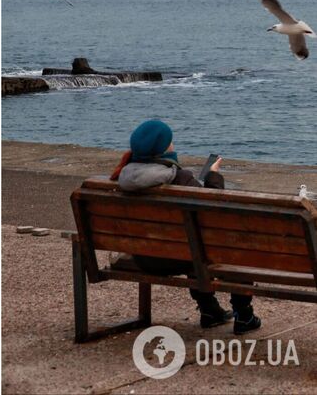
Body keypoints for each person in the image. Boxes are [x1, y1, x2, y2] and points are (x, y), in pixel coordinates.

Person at [111, 119, 261, 335]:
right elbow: (213, 215)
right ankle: (244, 315)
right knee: (225, 246)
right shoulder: (179, 178)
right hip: (177, 257)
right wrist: (214, 176)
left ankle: (210, 311)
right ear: (161, 150)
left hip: (143, 257)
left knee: (190, 243)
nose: (173, 146)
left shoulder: (123, 178)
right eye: (170, 143)